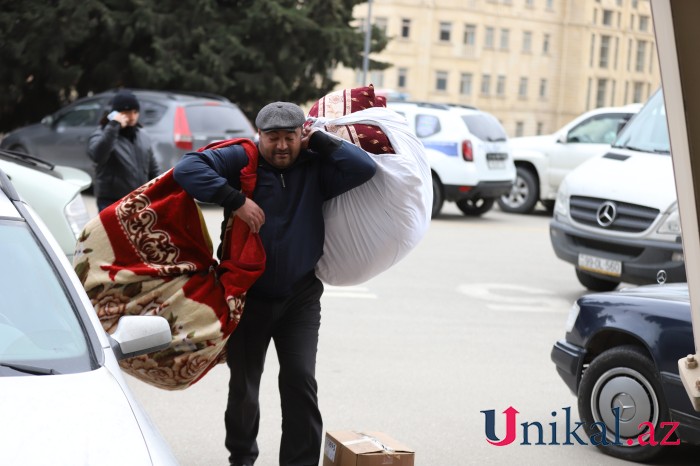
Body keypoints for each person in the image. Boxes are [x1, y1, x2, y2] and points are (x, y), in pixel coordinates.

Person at [172, 101, 377, 466]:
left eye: (290, 137)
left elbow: (364, 168)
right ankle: (242, 459)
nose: (281, 146)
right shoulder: (242, 161)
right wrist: (235, 200)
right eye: (273, 138)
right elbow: (187, 169)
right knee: (245, 389)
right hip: (248, 295)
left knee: (300, 382)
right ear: (259, 135)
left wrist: (323, 142)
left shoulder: (316, 168)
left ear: (302, 135)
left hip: (300, 297)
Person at [88, 89, 160, 212]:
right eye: (127, 112)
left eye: (135, 111)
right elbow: (97, 155)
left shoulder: (143, 135)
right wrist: (114, 126)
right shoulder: (103, 133)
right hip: (111, 202)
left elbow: (152, 169)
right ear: (116, 114)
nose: (132, 116)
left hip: (139, 201)